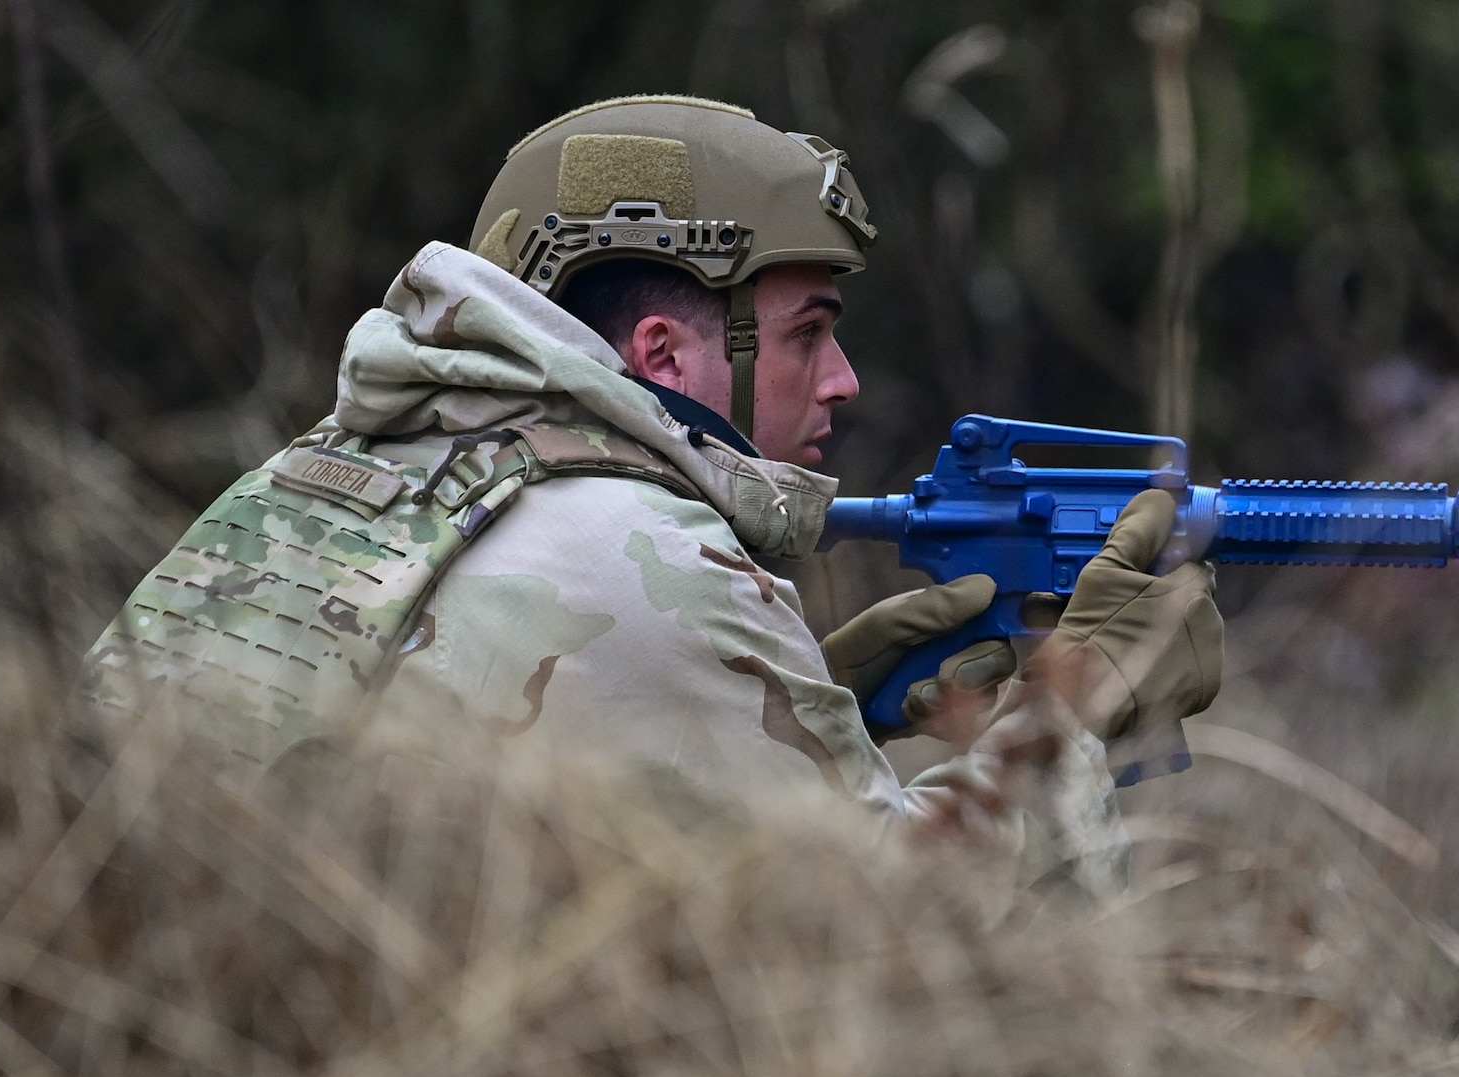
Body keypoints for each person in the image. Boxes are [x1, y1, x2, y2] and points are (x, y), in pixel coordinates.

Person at [78, 96, 1223, 868]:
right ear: (667, 354)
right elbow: (903, 942)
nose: (845, 381)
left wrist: (789, 695)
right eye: (807, 334)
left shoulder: (323, 473)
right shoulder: (646, 557)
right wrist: (1074, 718)